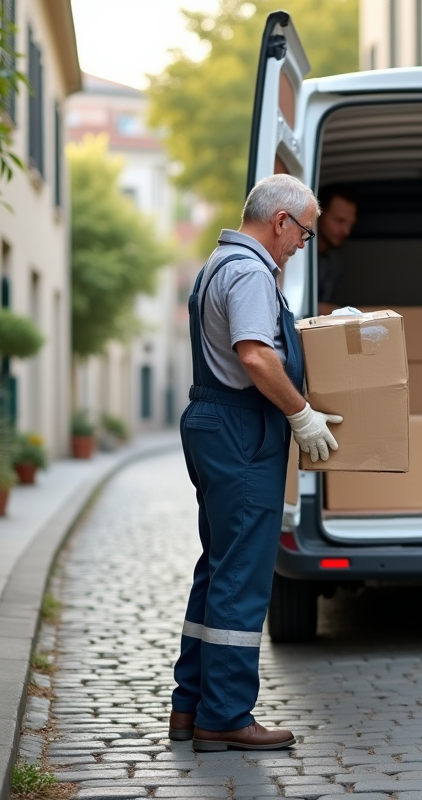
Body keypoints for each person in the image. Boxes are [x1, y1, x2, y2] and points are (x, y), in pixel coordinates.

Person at [168, 174, 343, 752]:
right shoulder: (247, 271)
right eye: (305, 234)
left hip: (219, 424)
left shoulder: (219, 263)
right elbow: (255, 355)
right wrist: (302, 414)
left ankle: (190, 707)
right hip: (241, 428)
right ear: (280, 221)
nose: (302, 245)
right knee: (241, 575)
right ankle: (225, 716)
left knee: (218, 568)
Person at [315, 185, 358, 315]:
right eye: (339, 221)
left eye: (350, 225)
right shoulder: (297, 256)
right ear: (319, 214)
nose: (346, 231)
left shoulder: (335, 262)